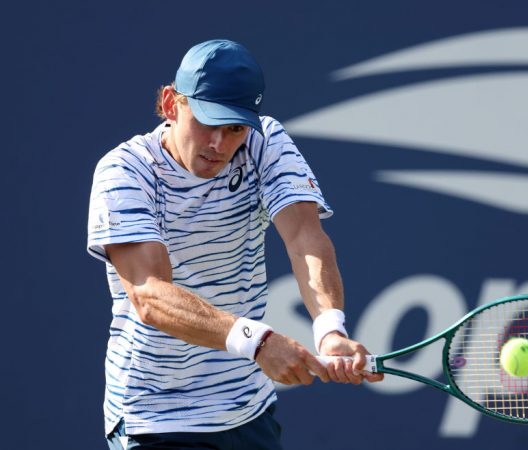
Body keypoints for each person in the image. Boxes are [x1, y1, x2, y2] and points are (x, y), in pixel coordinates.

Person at [87, 39, 382, 450]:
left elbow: (304, 237)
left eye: (234, 128)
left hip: (247, 409)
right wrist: (257, 342)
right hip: (154, 418)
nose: (220, 145)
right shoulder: (124, 171)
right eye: (208, 123)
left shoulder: (264, 142)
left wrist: (330, 329)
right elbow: (148, 295)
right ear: (172, 104)